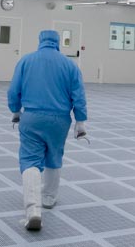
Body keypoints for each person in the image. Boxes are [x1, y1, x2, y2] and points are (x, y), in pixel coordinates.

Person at [8, 29, 87, 230]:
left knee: (30, 160)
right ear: (58, 42)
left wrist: (15, 111)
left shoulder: (26, 61)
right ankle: (49, 198)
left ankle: (33, 209)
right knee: (54, 157)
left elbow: (14, 90)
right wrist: (80, 122)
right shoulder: (70, 65)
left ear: (40, 41)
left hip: (32, 118)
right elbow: (79, 95)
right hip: (60, 121)